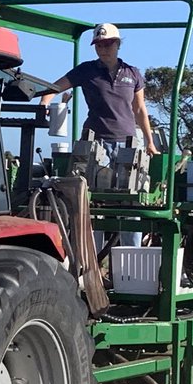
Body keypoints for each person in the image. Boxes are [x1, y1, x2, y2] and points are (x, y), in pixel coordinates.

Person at [45, 22, 156, 247]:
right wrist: (45, 101)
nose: (102, 49)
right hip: (95, 143)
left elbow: (140, 110)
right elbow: (56, 86)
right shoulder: (86, 70)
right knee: (92, 203)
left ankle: (128, 263)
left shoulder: (132, 73)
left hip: (127, 144)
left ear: (117, 44)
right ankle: (92, 264)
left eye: (107, 44)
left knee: (129, 203)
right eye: (98, 45)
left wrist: (150, 142)